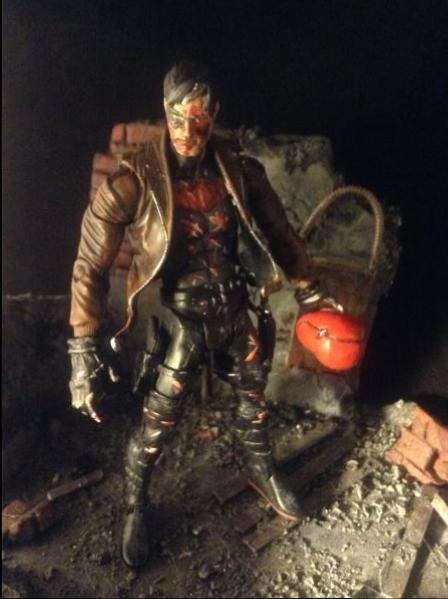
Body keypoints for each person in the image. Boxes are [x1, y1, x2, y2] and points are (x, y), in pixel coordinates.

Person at [67, 62, 341, 568]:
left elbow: (279, 233)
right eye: (178, 120)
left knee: (254, 404)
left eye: (199, 121)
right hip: (182, 321)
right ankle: (136, 502)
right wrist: (83, 347)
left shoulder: (239, 170)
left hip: (237, 307)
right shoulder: (133, 181)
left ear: (214, 116)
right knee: (157, 422)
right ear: (164, 113)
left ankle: (262, 470)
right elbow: (89, 266)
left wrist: (307, 287)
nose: (188, 133)